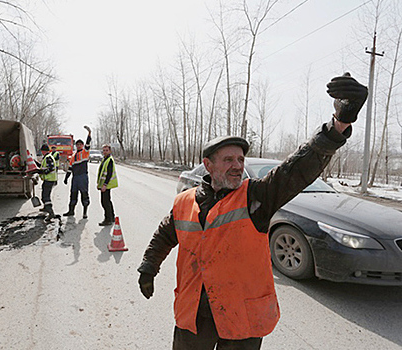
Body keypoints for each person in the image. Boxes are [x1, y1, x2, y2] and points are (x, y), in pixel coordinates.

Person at [137, 73, 368, 350]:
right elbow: (164, 235)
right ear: (208, 165)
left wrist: (338, 126)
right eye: (228, 159)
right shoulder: (185, 201)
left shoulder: (257, 197)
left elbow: (296, 169)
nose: (237, 165)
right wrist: (149, 266)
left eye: (240, 159)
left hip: (241, 318)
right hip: (194, 311)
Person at [63, 125, 92, 218]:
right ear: (76, 146)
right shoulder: (73, 156)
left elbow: (88, 144)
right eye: (77, 144)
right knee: (73, 194)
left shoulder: (85, 152)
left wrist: (89, 133)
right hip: (75, 178)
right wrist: (66, 178)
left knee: (84, 194)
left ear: (82, 145)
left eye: (80, 144)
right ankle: (71, 211)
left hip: (83, 176)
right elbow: (70, 168)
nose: (79, 145)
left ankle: (85, 213)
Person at [96, 144, 118, 226]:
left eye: (106, 150)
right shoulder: (105, 159)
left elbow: (109, 174)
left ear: (110, 151)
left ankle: (108, 219)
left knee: (105, 202)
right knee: (107, 201)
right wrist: (99, 183)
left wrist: (104, 185)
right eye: (104, 150)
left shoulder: (109, 160)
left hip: (107, 184)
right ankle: (112, 217)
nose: (105, 152)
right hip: (104, 184)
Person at [36, 143, 59, 219]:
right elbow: (43, 166)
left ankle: (51, 212)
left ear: (43, 151)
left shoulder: (48, 158)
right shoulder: (46, 157)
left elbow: (50, 168)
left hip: (50, 179)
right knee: (44, 194)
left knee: (46, 196)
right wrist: (35, 163)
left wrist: (41, 172)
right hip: (48, 179)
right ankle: (46, 208)